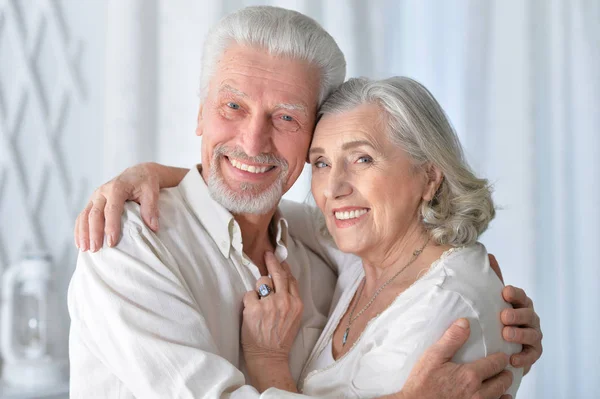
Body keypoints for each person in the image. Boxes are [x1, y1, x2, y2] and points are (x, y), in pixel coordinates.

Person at [70, 6, 542, 399]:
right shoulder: (125, 241)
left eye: (286, 117)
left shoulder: (320, 253)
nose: (253, 141)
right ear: (199, 112)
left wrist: (483, 311)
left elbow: (419, 261)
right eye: (232, 107)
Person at [238, 76, 523, 397]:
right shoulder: (366, 253)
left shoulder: (444, 309)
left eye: (362, 159)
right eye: (321, 162)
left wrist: (268, 362)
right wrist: (172, 179)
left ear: (429, 176)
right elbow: (249, 203)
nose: (333, 188)